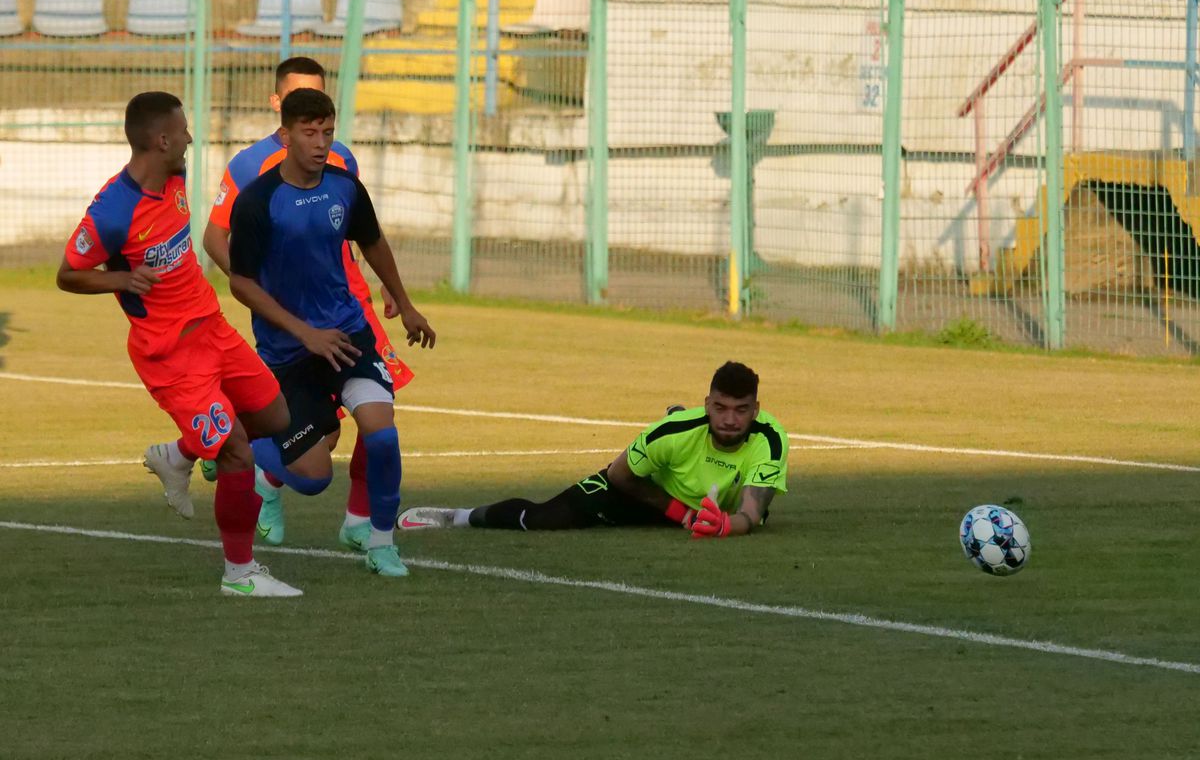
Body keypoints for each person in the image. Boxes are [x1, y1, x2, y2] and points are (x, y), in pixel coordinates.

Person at [58, 91, 301, 596]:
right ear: (162, 139)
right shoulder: (111, 211)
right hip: (169, 354)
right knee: (236, 452)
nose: (191, 137)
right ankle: (240, 573)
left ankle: (179, 454)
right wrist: (122, 281)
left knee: (276, 417)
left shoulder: (176, 176)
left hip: (212, 328)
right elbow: (68, 275)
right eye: (184, 130)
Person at [200, 56, 414, 551]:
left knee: (377, 423)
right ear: (280, 109)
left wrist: (394, 292)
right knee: (320, 445)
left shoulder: (342, 164)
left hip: (347, 310)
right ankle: (259, 465)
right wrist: (260, 289)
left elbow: (359, 232)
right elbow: (216, 238)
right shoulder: (250, 170)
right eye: (306, 120)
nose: (320, 137)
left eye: (325, 124)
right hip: (289, 329)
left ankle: (364, 524)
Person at [398, 362, 787, 538]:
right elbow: (620, 476)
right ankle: (460, 517)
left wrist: (722, 525)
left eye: (741, 411)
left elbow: (752, 514)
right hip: (644, 492)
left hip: (698, 513)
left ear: (755, 409)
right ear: (706, 405)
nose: (730, 420)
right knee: (543, 519)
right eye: (720, 408)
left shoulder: (770, 440)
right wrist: (678, 512)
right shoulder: (674, 434)